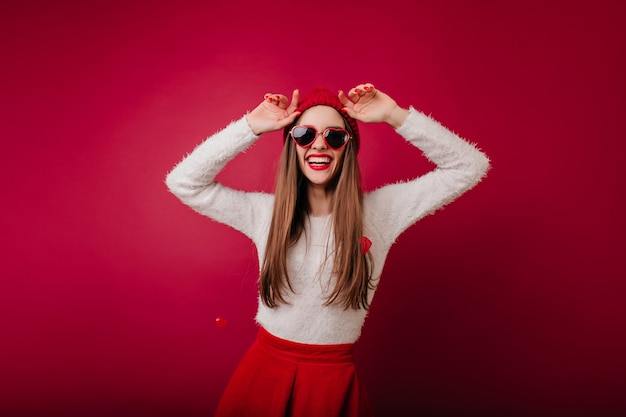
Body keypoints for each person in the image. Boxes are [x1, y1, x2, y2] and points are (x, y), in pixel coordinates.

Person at [165, 83, 490, 416]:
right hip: (263, 374)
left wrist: (395, 115)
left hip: (332, 383)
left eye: (335, 136)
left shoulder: (381, 212)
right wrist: (251, 126)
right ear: (292, 144)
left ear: (347, 148)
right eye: (305, 134)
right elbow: (183, 182)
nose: (319, 144)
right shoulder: (266, 213)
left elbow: (470, 166)